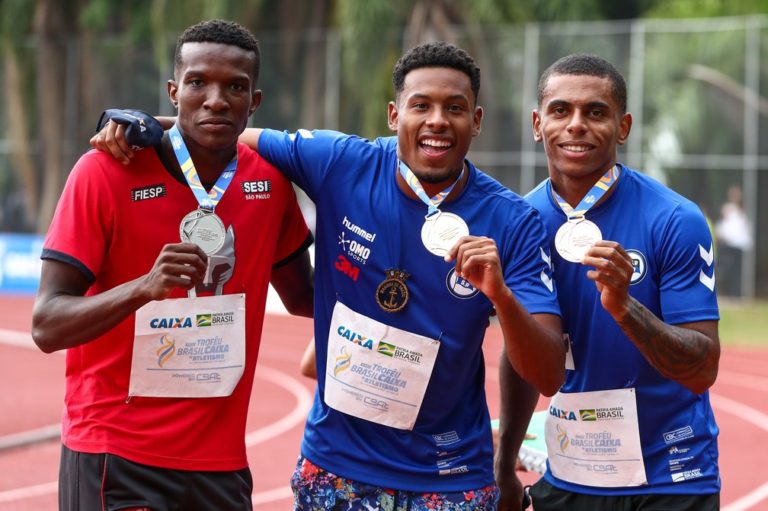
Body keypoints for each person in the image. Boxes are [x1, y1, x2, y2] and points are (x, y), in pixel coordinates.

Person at [92, 41, 566, 510]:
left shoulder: (513, 221)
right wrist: (143, 125)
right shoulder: (343, 162)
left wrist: (500, 297)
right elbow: (223, 132)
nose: (437, 120)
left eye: (455, 108)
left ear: (476, 121)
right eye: (421, 105)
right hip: (336, 471)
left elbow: (546, 374)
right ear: (394, 115)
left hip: (449, 478)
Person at [32, 19, 314, 511]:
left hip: (220, 466)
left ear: (255, 103)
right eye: (198, 82)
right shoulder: (104, 171)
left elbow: (305, 297)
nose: (216, 99)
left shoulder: (269, 184)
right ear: (173, 91)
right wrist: (143, 288)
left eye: (235, 87)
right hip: (115, 453)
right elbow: (46, 324)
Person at [496, 53, 721, 510]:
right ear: (537, 124)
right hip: (570, 477)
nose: (576, 124)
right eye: (561, 110)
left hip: (671, 477)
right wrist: (503, 466)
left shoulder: (675, 219)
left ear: (623, 127)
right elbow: (519, 353)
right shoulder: (515, 222)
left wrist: (624, 307)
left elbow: (703, 367)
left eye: (595, 112)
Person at [715, 184, 752, 297]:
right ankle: (724, 293)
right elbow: (723, 226)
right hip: (728, 245)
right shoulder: (727, 209)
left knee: (738, 272)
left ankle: (736, 294)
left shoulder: (743, 211)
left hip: (739, 246)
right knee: (726, 271)